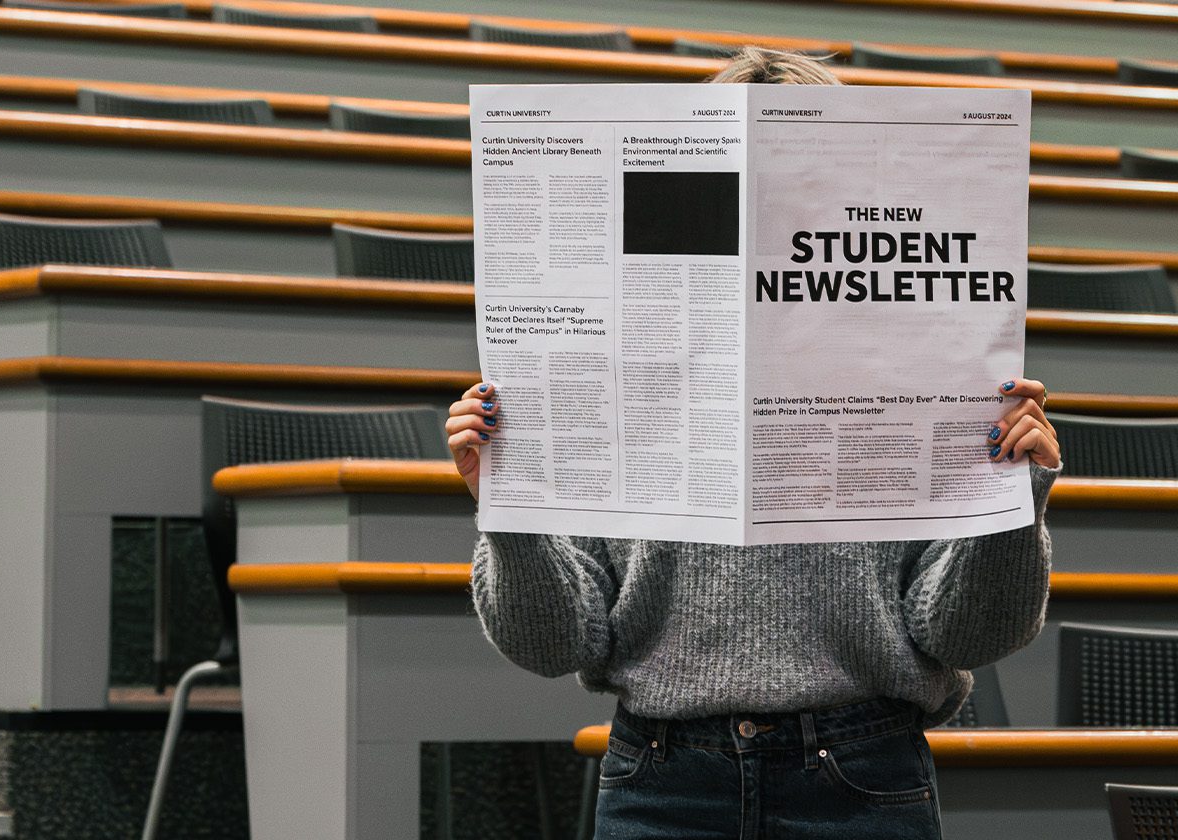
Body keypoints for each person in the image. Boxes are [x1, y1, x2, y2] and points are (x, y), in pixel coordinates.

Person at [450, 47, 1061, 840]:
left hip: (862, 774)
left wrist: (1016, 499)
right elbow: (553, 645)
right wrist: (510, 505)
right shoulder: (600, 365)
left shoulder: (933, 367)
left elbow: (968, 637)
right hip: (660, 777)